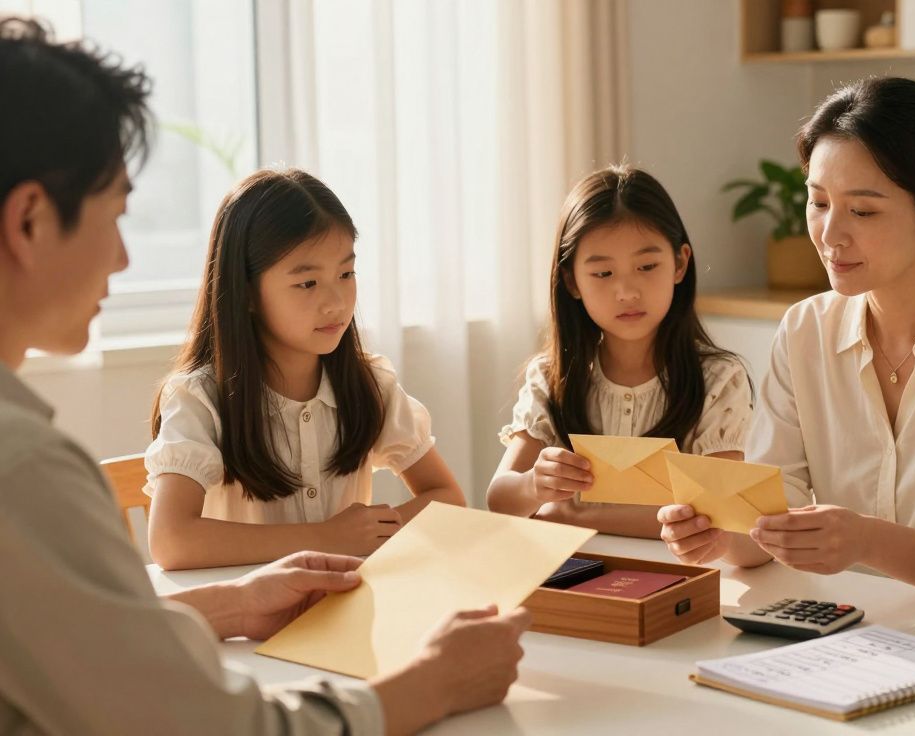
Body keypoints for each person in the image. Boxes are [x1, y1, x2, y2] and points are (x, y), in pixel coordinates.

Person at [0, 17, 526, 734]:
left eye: (345, 273)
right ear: (29, 220)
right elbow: (205, 722)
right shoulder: (23, 469)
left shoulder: (364, 381)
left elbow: (77, 637)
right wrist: (431, 686)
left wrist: (234, 602)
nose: (123, 259)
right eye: (115, 214)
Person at [658, 76, 915, 595]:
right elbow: (771, 508)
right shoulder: (806, 329)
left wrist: (865, 541)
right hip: (832, 630)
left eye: (864, 210)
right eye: (818, 201)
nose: (829, 234)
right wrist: (720, 534)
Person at [145, 167, 464, 570]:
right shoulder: (201, 400)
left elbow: (448, 497)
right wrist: (326, 538)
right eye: (307, 283)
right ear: (245, 293)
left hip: (343, 609)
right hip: (246, 624)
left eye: (346, 274)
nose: (336, 302)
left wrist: (374, 531)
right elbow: (172, 542)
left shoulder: (368, 386)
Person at [487, 165, 752, 538]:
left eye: (646, 266)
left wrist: (576, 516)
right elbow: (499, 498)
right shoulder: (551, 377)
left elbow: (718, 512)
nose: (627, 291)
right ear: (571, 281)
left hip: (674, 579)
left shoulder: (718, 380)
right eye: (603, 274)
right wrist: (534, 485)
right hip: (572, 573)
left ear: (679, 263)